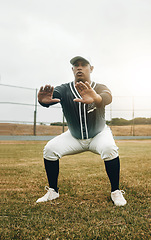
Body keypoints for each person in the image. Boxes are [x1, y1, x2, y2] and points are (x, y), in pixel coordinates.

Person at [36, 56, 127, 206]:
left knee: (109, 148)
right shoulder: (65, 88)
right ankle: (53, 191)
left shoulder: (99, 86)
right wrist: (43, 102)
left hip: (99, 134)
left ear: (91, 68)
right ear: (72, 70)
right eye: (75, 65)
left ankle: (115, 192)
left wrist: (96, 98)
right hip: (74, 137)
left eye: (83, 65)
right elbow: (53, 96)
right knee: (50, 150)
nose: (79, 68)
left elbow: (107, 97)